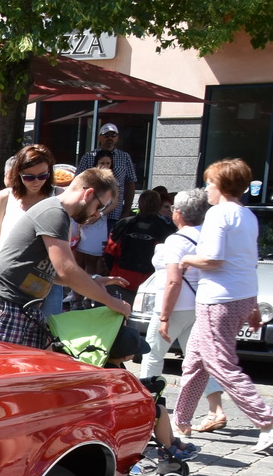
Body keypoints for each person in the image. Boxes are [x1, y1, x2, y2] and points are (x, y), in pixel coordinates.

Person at [170, 159, 273, 450]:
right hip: (238, 296)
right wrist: (252, 305)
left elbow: (212, 259)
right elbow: (247, 262)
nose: (206, 189)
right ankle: (182, 421)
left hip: (219, 299)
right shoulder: (247, 215)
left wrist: (185, 259)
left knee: (219, 364)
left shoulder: (218, 214)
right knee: (194, 362)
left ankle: (266, 419)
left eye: (210, 183)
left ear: (222, 186)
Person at [0, 167, 129, 350]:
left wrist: (94, 281)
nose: (97, 214)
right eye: (100, 206)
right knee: (0, 372)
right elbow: (67, 270)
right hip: (4, 303)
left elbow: (50, 271)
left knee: (34, 372)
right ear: (88, 194)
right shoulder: (54, 213)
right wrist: (112, 303)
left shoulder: (59, 215)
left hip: (24, 306)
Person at [140, 188, 225, 430]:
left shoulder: (176, 240)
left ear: (179, 213)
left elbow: (173, 281)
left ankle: (149, 408)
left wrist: (164, 316)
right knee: (199, 360)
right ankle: (215, 409)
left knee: (152, 356)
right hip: (200, 305)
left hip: (174, 306)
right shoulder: (210, 236)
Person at [0, 144, 57, 279]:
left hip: (46, 279)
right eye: (29, 177)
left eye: (42, 176)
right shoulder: (4, 197)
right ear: (18, 174)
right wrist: (0, 276)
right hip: (6, 278)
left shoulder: (59, 196)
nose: (36, 182)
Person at [110, 189, 176, 289]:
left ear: (139, 203)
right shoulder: (166, 228)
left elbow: (109, 252)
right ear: (157, 206)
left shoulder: (124, 224)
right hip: (149, 281)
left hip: (121, 277)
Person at [81, 122, 137, 225]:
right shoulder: (88, 157)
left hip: (116, 212)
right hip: (90, 210)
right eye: (106, 135)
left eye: (113, 135)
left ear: (117, 138)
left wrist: (127, 209)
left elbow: (130, 182)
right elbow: (78, 181)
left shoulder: (125, 157)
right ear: (99, 137)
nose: (110, 138)